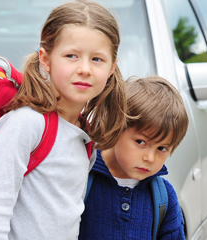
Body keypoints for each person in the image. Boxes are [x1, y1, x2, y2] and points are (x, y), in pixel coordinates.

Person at [0, 1, 127, 239]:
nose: (85, 69)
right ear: (45, 59)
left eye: (97, 59)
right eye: (71, 56)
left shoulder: (84, 134)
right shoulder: (27, 124)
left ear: (112, 67)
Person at [79, 76, 189, 239]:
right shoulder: (80, 176)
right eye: (141, 142)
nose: (150, 158)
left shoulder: (164, 198)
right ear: (116, 127)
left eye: (162, 148)